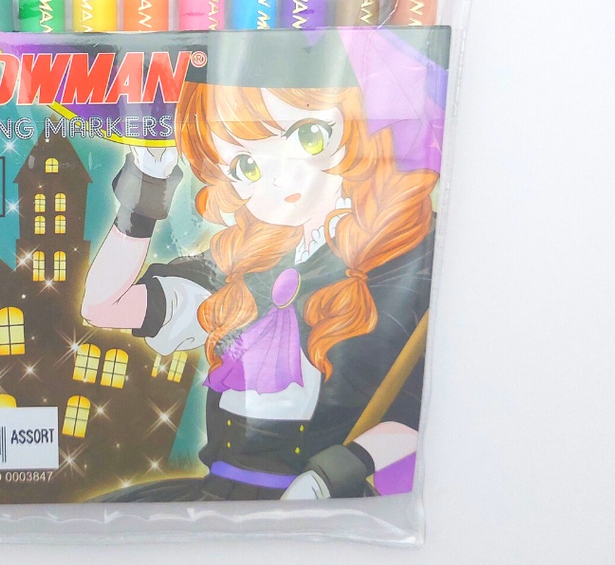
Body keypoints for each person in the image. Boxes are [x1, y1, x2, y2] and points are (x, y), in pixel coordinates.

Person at [82, 29, 447, 500]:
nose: (280, 178)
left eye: (309, 136)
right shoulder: (243, 266)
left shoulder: (398, 261)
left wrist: (334, 473)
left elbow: (422, 402)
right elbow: (104, 305)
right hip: (221, 496)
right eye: (246, 167)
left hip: (324, 505)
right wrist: (145, 189)